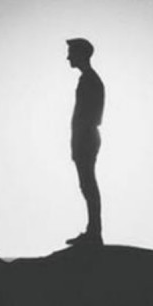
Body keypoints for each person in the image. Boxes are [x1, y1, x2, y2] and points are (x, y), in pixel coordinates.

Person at [65, 38, 105, 247]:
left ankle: (94, 233)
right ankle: (93, 231)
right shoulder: (88, 79)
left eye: (71, 52)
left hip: (87, 137)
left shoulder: (90, 80)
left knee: (88, 185)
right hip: (85, 136)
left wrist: (79, 138)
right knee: (86, 184)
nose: (68, 57)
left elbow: (89, 115)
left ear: (81, 54)